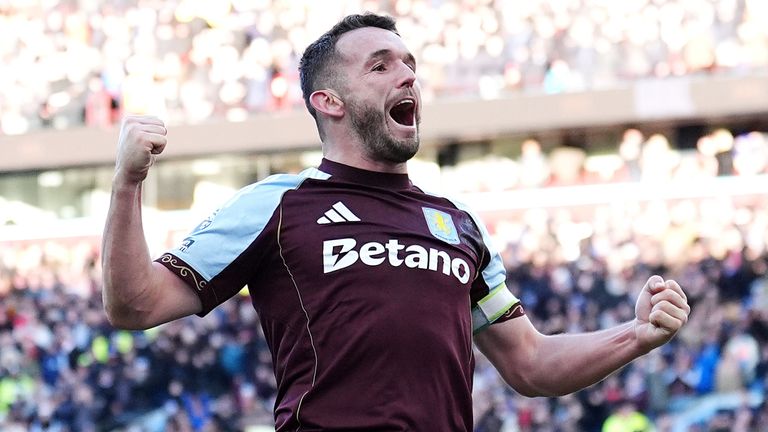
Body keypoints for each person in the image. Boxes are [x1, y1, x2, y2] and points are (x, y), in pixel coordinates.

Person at [102, 13, 690, 431]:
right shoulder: (275, 205)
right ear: (328, 100)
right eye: (380, 67)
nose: (407, 76)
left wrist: (635, 335)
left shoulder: (458, 224)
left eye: (410, 65)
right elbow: (135, 305)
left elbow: (531, 364)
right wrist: (128, 183)